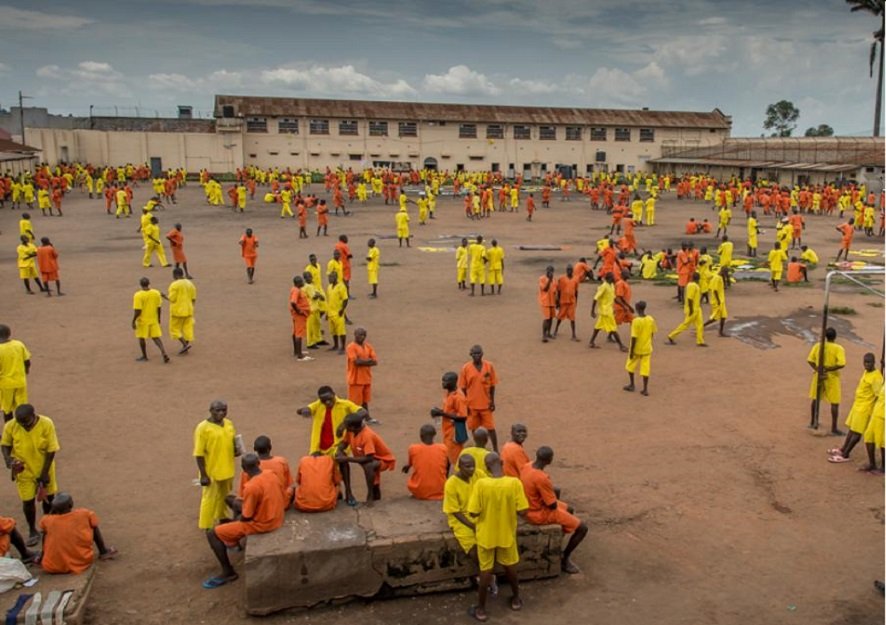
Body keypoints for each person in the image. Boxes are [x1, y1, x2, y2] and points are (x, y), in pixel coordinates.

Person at [203, 453, 285, 589]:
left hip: (262, 524)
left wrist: (238, 519)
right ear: (259, 463)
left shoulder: (251, 487)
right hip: (276, 515)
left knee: (212, 534)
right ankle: (233, 539)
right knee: (232, 500)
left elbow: (247, 516)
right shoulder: (271, 474)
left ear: (243, 468)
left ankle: (228, 572)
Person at [466, 453, 528, 621]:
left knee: (485, 571)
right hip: (506, 534)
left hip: (486, 535)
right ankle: (516, 599)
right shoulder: (514, 483)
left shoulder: (481, 484)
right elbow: (523, 511)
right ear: (501, 463)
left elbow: (473, 512)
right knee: (510, 568)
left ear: (485, 468)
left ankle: (481, 609)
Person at [519, 447, 588, 574]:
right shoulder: (542, 478)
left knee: (569, 509)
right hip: (538, 513)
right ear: (549, 460)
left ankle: (558, 544)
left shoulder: (527, 466)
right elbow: (551, 505)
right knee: (583, 528)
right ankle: (565, 559)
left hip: (529, 506)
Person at [1, 404, 59, 545]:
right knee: (27, 502)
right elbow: (5, 445)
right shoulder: (11, 426)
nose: (25, 426)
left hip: (44, 467)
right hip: (24, 471)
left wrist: (44, 474)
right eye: (21, 423)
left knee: (49, 499)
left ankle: (47, 525)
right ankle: (32, 530)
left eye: (27, 422)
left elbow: (51, 450)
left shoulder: (46, 423)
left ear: (34, 416)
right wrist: (9, 460)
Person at [38, 492, 117, 574]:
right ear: (71, 504)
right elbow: (94, 524)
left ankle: (42, 557)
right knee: (92, 524)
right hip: (81, 561)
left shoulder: (46, 520)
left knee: (46, 534)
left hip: (52, 566)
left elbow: (45, 536)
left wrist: (42, 558)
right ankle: (103, 551)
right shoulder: (84, 514)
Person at [828, 353, 883, 463]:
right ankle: (843, 449)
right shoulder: (866, 372)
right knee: (852, 430)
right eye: (865, 362)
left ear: (874, 363)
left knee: (857, 433)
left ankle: (845, 454)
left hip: (865, 408)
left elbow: (878, 396)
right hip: (857, 405)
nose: (867, 365)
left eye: (869, 362)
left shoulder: (876, 377)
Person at [194, 400, 239, 531]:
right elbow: (199, 453)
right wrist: (203, 475)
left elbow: (232, 442)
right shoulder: (203, 428)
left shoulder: (229, 424)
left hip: (227, 468)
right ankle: (206, 525)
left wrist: (236, 450)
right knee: (209, 498)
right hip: (211, 471)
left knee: (224, 496)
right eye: (217, 410)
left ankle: (222, 516)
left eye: (224, 410)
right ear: (211, 411)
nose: (221, 413)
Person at [336, 412, 396, 506]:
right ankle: (349, 493)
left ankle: (370, 496)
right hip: (362, 456)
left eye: (346, 426)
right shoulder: (351, 431)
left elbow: (369, 458)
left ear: (353, 427)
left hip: (381, 460)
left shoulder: (367, 435)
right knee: (340, 457)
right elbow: (344, 443)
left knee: (369, 466)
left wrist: (347, 458)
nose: (344, 427)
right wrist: (339, 450)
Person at [296, 386, 362, 456]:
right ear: (320, 399)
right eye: (324, 400)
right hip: (318, 447)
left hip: (337, 445)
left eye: (330, 399)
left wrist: (345, 424)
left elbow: (362, 412)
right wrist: (305, 409)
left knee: (341, 458)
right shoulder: (318, 404)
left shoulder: (345, 404)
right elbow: (300, 411)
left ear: (334, 394)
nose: (327, 402)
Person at [458, 346, 499, 451]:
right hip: (472, 405)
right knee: (475, 430)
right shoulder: (466, 368)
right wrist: (466, 404)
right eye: (474, 354)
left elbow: (493, 385)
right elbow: (463, 388)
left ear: (482, 354)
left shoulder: (489, 366)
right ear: (470, 355)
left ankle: (496, 449)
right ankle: (479, 449)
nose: (476, 356)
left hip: (486, 404)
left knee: (491, 428)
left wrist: (492, 401)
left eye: (478, 353)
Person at [807, 327, 846, 434]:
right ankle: (834, 428)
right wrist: (829, 369)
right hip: (832, 377)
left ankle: (812, 422)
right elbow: (841, 363)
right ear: (835, 337)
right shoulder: (838, 348)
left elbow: (810, 360)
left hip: (818, 375)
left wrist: (817, 369)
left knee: (816, 399)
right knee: (835, 402)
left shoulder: (818, 346)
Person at [236, 436, 293, 505]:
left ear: (255, 449)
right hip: (281, 503)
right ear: (270, 447)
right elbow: (288, 484)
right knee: (292, 489)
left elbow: (243, 493)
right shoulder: (281, 461)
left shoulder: (249, 467)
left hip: (258, 506)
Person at [442, 454, 477, 559]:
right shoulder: (451, 484)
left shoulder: (477, 475)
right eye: (468, 466)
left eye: (473, 466)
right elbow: (455, 511)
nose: (471, 469)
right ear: (460, 467)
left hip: (477, 514)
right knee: (474, 551)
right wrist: (472, 526)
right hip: (461, 519)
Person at [431, 371, 470, 465]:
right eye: (443, 380)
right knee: (446, 457)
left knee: (457, 460)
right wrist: (439, 411)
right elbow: (450, 410)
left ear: (454, 382)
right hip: (447, 431)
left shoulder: (458, 397)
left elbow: (463, 417)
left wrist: (442, 413)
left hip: (453, 433)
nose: (443, 383)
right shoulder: (449, 393)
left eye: (446, 381)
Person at [402, 424, 449, 500]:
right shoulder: (443, 448)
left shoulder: (413, 448)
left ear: (421, 436)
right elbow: (447, 466)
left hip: (419, 490)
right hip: (440, 490)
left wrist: (408, 466)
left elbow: (411, 463)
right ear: (434, 435)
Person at [132, 277, 170, 363]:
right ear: (149, 283)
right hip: (153, 318)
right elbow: (159, 307)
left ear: (140, 284)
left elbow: (138, 310)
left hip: (143, 320)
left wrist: (133, 320)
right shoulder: (156, 293)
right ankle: (163, 352)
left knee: (141, 338)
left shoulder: (138, 295)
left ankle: (144, 356)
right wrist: (159, 318)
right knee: (156, 338)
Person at [624, 300, 657, 396]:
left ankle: (632, 384)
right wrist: (650, 342)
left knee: (630, 366)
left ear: (637, 309)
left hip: (637, 348)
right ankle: (645, 389)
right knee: (645, 368)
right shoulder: (650, 319)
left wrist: (631, 351)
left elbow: (634, 337)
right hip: (647, 348)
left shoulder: (636, 321)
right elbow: (652, 333)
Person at [346, 328, 378, 422]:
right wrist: (368, 361)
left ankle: (366, 417)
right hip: (355, 379)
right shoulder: (351, 347)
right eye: (359, 334)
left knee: (365, 400)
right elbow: (356, 362)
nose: (361, 337)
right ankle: (352, 420)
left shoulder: (368, 346)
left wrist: (363, 361)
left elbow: (375, 362)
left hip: (366, 378)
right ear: (354, 334)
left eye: (363, 335)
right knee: (354, 402)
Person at [0, 325, 30, 423]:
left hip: (5, 384)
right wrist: (26, 370)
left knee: (7, 409)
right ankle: (22, 429)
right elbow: (27, 360)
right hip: (20, 381)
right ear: (9, 334)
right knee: (21, 407)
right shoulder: (19, 344)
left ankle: (9, 430)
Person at [589, 272, 626, 351]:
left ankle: (591, 342)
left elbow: (614, 298)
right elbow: (595, 298)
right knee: (613, 328)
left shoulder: (612, 285)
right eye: (613, 277)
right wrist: (592, 311)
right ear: (609, 278)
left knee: (598, 327)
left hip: (607, 310)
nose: (614, 278)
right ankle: (621, 345)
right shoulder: (604, 286)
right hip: (606, 311)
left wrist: (623, 306)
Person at [667, 272, 706, 347]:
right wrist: (691, 310)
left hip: (697, 308)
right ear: (698, 278)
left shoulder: (693, 285)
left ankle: (700, 341)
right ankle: (671, 335)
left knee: (700, 325)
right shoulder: (692, 286)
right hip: (692, 309)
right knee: (685, 325)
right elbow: (690, 299)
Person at [167, 267, 197, 355]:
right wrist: (191, 307)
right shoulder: (190, 284)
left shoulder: (174, 285)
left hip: (177, 310)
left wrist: (164, 296)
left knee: (174, 329)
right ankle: (186, 345)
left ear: (175, 275)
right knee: (187, 328)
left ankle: (184, 345)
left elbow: (172, 298)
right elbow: (193, 298)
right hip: (188, 309)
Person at [862, 383, 885, 473]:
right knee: (868, 437)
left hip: (883, 415)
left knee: (883, 442)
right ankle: (872, 464)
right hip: (877, 412)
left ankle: (884, 467)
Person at [289, 275, 313, 362]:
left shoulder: (295, 289)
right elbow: (293, 302)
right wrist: (299, 311)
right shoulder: (296, 291)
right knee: (299, 334)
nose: (303, 282)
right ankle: (300, 356)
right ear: (298, 283)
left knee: (295, 332)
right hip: (299, 316)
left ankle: (297, 351)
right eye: (301, 281)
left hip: (298, 315)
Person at [554, 265, 579, 341]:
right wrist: (557, 301)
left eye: (570, 269)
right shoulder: (561, 279)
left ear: (572, 270)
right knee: (560, 317)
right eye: (568, 269)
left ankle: (574, 335)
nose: (569, 271)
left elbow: (576, 291)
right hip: (563, 301)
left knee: (572, 318)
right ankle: (555, 331)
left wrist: (576, 301)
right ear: (566, 270)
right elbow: (558, 291)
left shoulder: (576, 279)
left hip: (572, 302)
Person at [326, 271, 349, 354]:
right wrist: (327, 312)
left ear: (335, 278)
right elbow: (329, 300)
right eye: (329, 277)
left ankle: (343, 347)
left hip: (338, 312)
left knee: (341, 331)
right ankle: (335, 345)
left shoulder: (341, 287)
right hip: (330, 312)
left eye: (331, 278)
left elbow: (345, 299)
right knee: (333, 331)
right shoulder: (329, 287)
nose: (329, 279)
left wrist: (342, 309)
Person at [703, 266, 729, 337]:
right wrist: (718, 301)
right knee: (715, 318)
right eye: (726, 273)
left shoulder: (719, 277)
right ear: (723, 272)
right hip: (717, 301)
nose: (726, 275)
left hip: (721, 300)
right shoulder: (717, 278)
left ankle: (720, 332)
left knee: (723, 316)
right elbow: (715, 290)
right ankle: (701, 327)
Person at [538, 265, 557, 343]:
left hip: (552, 301)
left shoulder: (554, 280)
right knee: (546, 318)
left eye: (551, 271)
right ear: (546, 270)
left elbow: (555, 292)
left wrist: (557, 301)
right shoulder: (542, 279)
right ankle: (544, 335)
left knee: (551, 318)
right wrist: (549, 280)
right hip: (545, 301)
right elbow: (545, 289)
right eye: (549, 270)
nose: (550, 272)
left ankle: (549, 333)